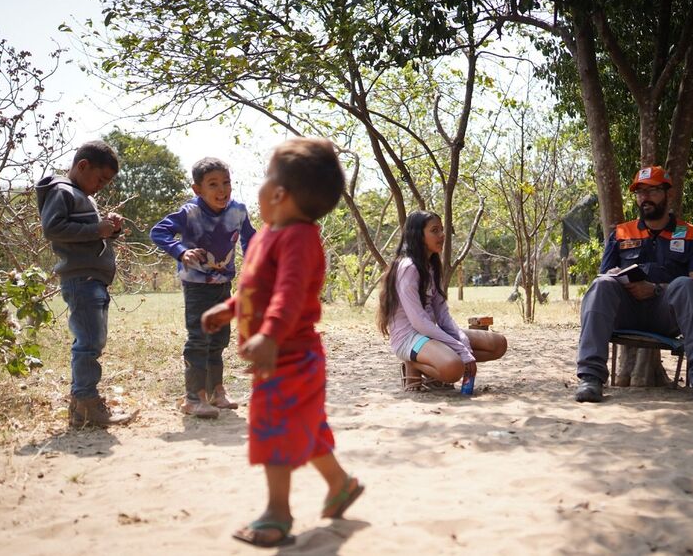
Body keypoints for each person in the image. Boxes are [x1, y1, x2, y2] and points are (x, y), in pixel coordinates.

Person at [201, 138, 363, 547]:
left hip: (290, 356)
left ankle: (278, 513)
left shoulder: (300, 239)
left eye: (266, 177)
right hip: (287, 355)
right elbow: (261, 289)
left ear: (278, 194)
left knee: (274, 425)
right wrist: (231, 309)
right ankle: (340, 483)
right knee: (306, 426)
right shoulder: (271, 236)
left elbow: (289, 295)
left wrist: (269, 335)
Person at [574, 165, 693, 405]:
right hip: (627, 311)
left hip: (667, 315)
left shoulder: (691, 235)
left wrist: (655, 289)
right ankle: (590, 378)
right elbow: (605, 276)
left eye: (652, 191)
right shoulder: (621, 233)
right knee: (601, 284)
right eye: (640, 192)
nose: (645, 198)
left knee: (685, 285)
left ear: (667, 194)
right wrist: (614, 275)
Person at [36, 140, 135, 427]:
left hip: (93, 279)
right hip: (81, 279)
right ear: (82, 166)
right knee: (88, 343)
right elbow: (52, 228)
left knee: (93, 341)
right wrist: (97, 229)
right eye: (101, 178)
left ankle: (82, 406)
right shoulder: (61, 190)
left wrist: (109, 228)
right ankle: (87, 402)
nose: (102, 185)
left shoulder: (83, 195)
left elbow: (92, 234)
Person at [150, 157, 256, 419]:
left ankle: (216, 391)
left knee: (219, 338)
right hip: (196, 286)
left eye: (226, 183)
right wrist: (180, 251)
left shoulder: (238, 210)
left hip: (223, 285)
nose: (222, 190)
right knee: (199, 338)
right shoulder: (190, 212)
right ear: (198, 189)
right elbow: (159, 232)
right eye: (213, 184)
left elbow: (250, 239)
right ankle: (193, 397)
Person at [376, 211, 508, 392]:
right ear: (418, 235)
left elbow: (442, 314)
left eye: (442, 230)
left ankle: (437, 360)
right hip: (410, 338)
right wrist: (460, 351)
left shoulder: (432, 266)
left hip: (431, 333)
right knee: (454, 369)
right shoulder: (408, 268)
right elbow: (418, 322)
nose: (442, 235)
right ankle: (412, 364)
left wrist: (462, 341)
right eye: (435, 230)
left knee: (498, 344)